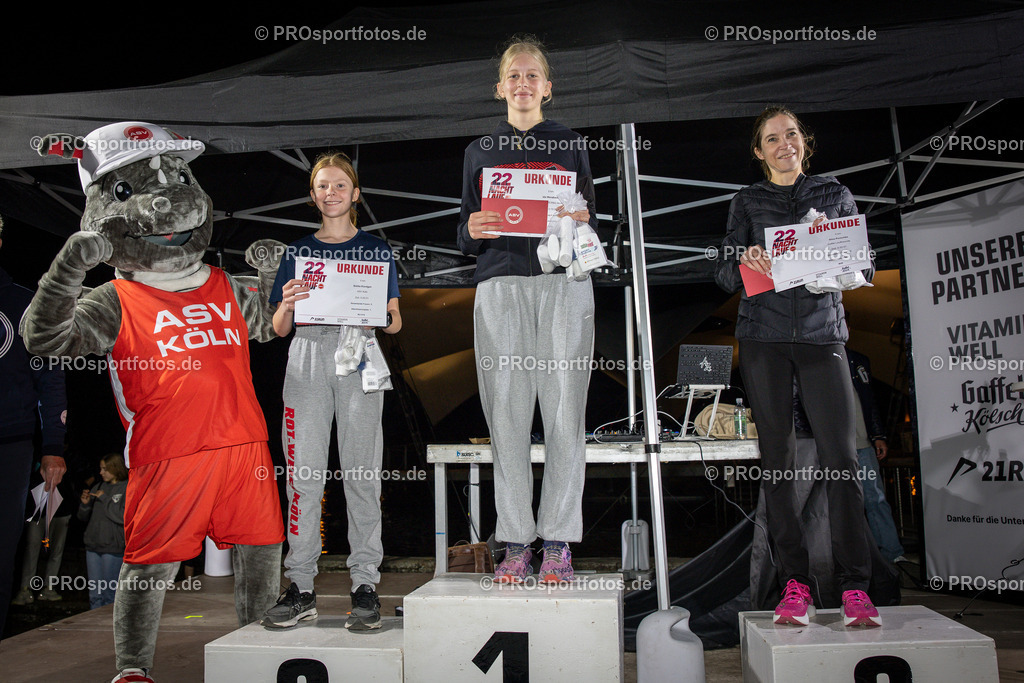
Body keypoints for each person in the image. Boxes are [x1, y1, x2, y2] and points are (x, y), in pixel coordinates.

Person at [714, 106, 881, 627]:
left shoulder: (834, 193)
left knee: (842, 461)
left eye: (791, 134)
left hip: (821, 336)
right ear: (758, 151)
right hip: (762, 339)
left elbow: (864, 262)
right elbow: (722, 269)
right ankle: (794, 586)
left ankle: (856, 587)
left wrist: (838, 260)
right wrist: (747, 260)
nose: (783, 143)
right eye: (771, 138)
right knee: (779, 462)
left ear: (803, 142)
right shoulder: (747, 200)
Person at [457, 35, 596, 583]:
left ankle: (558, 541)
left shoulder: (572, 144)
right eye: (513, 75)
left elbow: (589, 218)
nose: (522, 84)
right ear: (499, 87)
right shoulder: (478, 151)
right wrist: (468, 229)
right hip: (499, 286)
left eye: (531, 75)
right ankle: (515, 540)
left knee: (565, 413)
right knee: (507, 417)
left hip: (562, 283)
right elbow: (467, 229)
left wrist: (579, 215)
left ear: (548, 87)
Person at [262, 152, 402, 631]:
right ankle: (300, 586)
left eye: (340, 185)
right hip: (306, 356)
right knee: (304, 476)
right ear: (313, 195)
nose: (331, 193)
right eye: (322, 185)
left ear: (355, 193)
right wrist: (288, 303)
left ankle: (365, 584)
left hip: (359, 352)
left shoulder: (377, 250)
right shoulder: (297, 251)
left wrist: (374, 315)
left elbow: (395, 319)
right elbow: (279, 327)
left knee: (363, 473)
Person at [0, 216, 67, 637]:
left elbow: (51, 376)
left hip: (10, 443)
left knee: (3, 549)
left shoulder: (26, 304)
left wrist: (53, 446)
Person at [847, 347, 905, 563]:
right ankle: (848, 557)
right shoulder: (814, 358)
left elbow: (869, 399)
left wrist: (878, 434)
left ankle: (892, 553)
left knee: (875, 498)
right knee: (836, 502)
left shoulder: (857, 360)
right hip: (831, 446)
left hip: (863, 444)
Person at [77, 454, 128, 609]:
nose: (101, 472)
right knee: (95, 595)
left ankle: (109, 629)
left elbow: (123, 517)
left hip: (112, 548)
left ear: (116, 468)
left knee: (109, 595)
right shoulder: (98, 487)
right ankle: (95, 629)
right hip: (93, 546)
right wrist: (85, 505)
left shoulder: (126, 487)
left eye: (105, 469)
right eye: (101, 468)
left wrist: (105, 499)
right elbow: (83, 517)